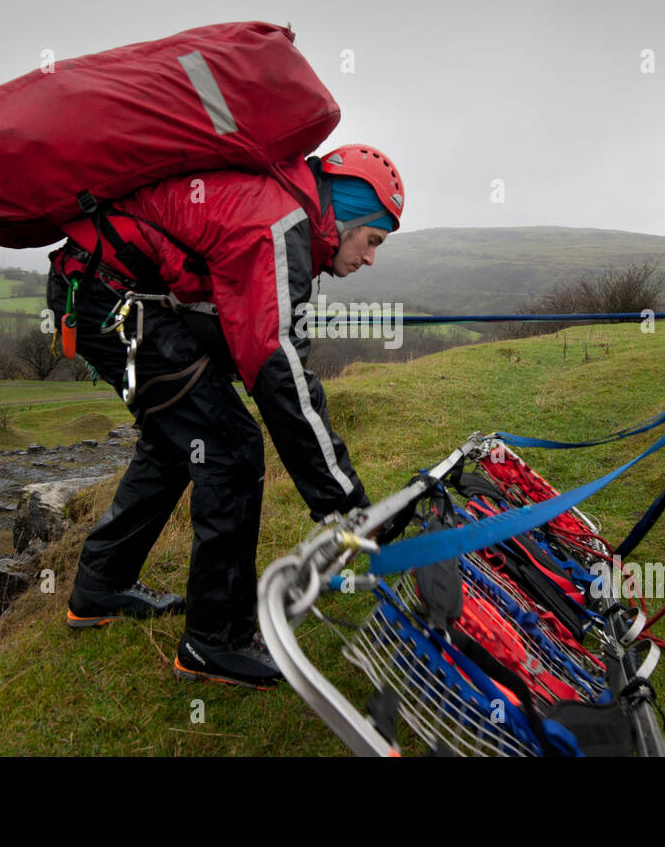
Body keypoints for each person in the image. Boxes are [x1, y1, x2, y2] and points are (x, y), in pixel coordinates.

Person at [46, 144, 403, 686]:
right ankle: (218, 639)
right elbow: (278, 374)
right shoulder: (277, 226)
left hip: (103, 289)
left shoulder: (281, 216)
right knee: (230, 448)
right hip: (115, 298)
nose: (371, 258)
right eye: (372, 240)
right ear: (341, 218)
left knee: (180, 440)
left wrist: (272, 351)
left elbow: (256, 331)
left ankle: (101, 586)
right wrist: (346, 503)